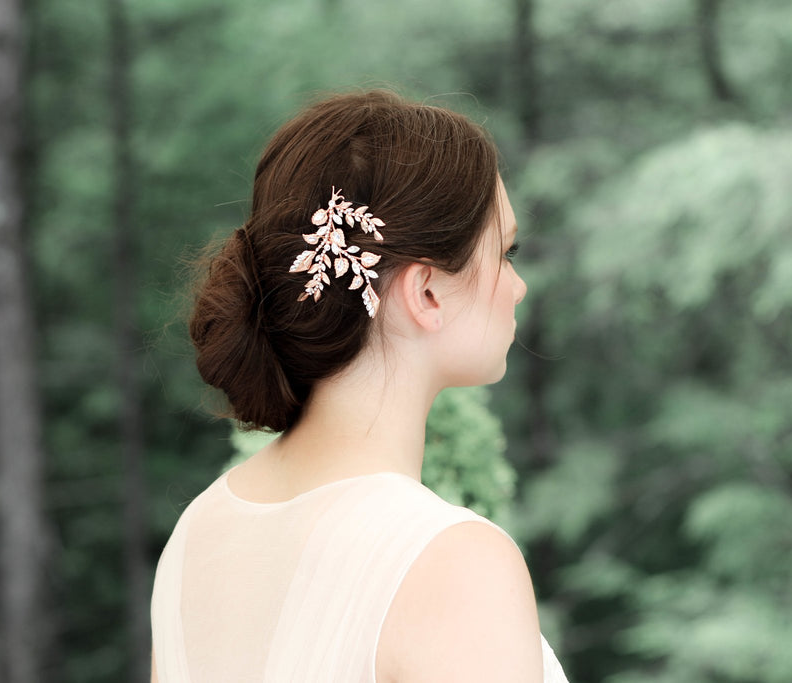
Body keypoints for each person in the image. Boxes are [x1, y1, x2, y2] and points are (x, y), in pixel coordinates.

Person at [150, 90, 569, 682]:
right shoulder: (452, 559)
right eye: (505, 253)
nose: (518, 285)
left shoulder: (197, 534)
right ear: (425, 292)